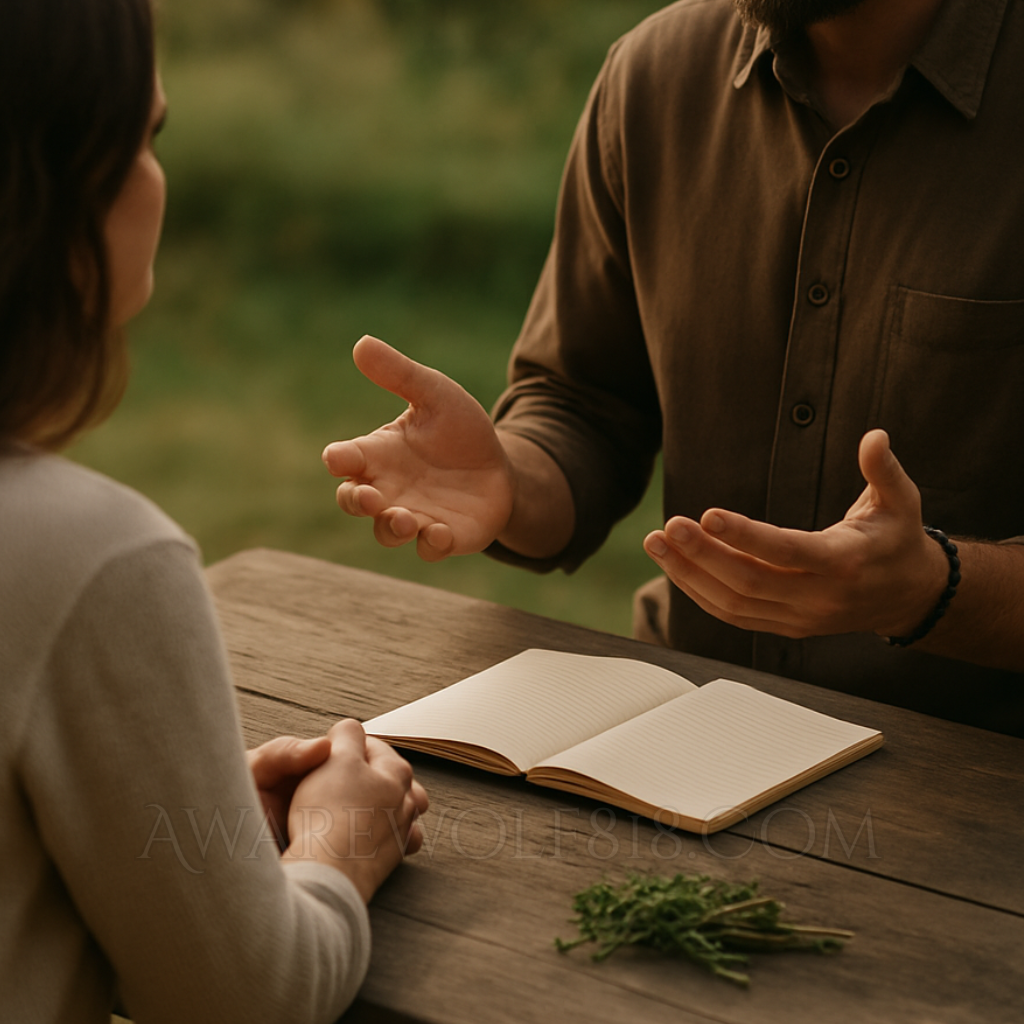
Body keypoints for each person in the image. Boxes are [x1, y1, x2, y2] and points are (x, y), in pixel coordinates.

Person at [323, 0, 1024, 737]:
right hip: (681, 732)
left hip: (973, 777)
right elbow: (583, 406)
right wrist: (509, 480)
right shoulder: (655, 74)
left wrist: (932, 589)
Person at [0, 1, 428, 1021]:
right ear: (50, 189)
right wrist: (336, 848)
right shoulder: (85, 559)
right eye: (144, 139)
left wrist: (178, 811)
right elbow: (244, 998)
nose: (157, 180)